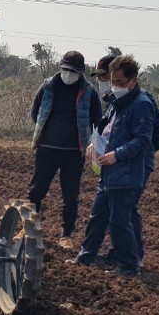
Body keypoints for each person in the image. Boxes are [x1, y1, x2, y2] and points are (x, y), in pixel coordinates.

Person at [71, 55, 156, 277]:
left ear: (133, 80)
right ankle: (86, 255)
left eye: (120, 82)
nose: (115, 86)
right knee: (97, 215)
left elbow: (142, 140)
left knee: (120, 220)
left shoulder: (142, 105)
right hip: (109, 170)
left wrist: (116, 155)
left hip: (126, 171)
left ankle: (129, 265)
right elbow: (104, 127)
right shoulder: (116, 103)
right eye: (113, 82)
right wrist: (93, 143)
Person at [29, 51, 101, 249]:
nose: (68, 74)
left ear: (80, 72)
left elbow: (97, 120)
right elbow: (35, 112)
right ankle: (28, 228)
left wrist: (92, 145)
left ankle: (66, 235)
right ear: (60, 68)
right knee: (36, 190)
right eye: (66, 69)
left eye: (73, 71)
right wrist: (46, 132)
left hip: (74, 151)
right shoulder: (48, 86)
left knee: (70, 195)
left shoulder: (89, 92)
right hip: (46, 148)